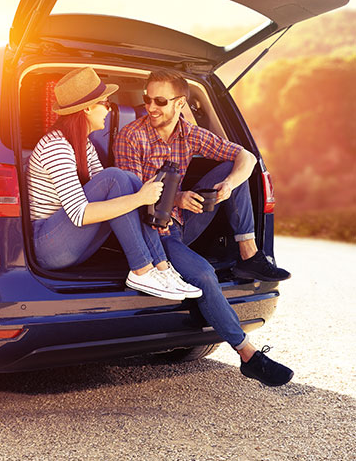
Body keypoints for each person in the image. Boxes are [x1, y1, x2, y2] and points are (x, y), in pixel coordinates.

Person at [114, 69, 293, 387]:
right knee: (205, 274)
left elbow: (246, 157)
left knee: (231, 169)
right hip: (155, 233)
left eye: (159, 100)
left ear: (181, 103)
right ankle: (249, 355)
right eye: (147, 99)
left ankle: (248, 254)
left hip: (183, 222)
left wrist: (227, 186)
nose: (150, 107)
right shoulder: (132, 136)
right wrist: (179, 197)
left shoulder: (190, 134)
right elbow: (133, 199)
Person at [27, 66, 202, 301]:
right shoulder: (56, 147)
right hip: (49, 246)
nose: (109, 110)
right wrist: (140, 198)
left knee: (127, 179)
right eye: (106, 103)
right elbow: (80, 214)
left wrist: (138, 194)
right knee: (118, 178)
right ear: (87, 108)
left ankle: (161, 267)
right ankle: (141, 269)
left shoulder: (84, 145)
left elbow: (114, 193)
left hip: (71, 243)